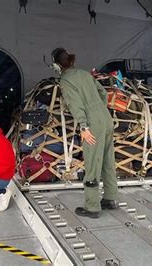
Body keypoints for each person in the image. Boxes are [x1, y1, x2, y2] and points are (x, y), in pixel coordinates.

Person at [51, 47, 118, 218]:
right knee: (108, 160)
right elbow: (103, 92)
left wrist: (84, 126)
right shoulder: (85, 74)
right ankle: (110, 198)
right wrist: (100, 110)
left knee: (93, 163)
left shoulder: (65, 80)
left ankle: (92, 206)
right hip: (105, 117)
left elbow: (75, 105)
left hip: (92, 122)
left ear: (57, 66)